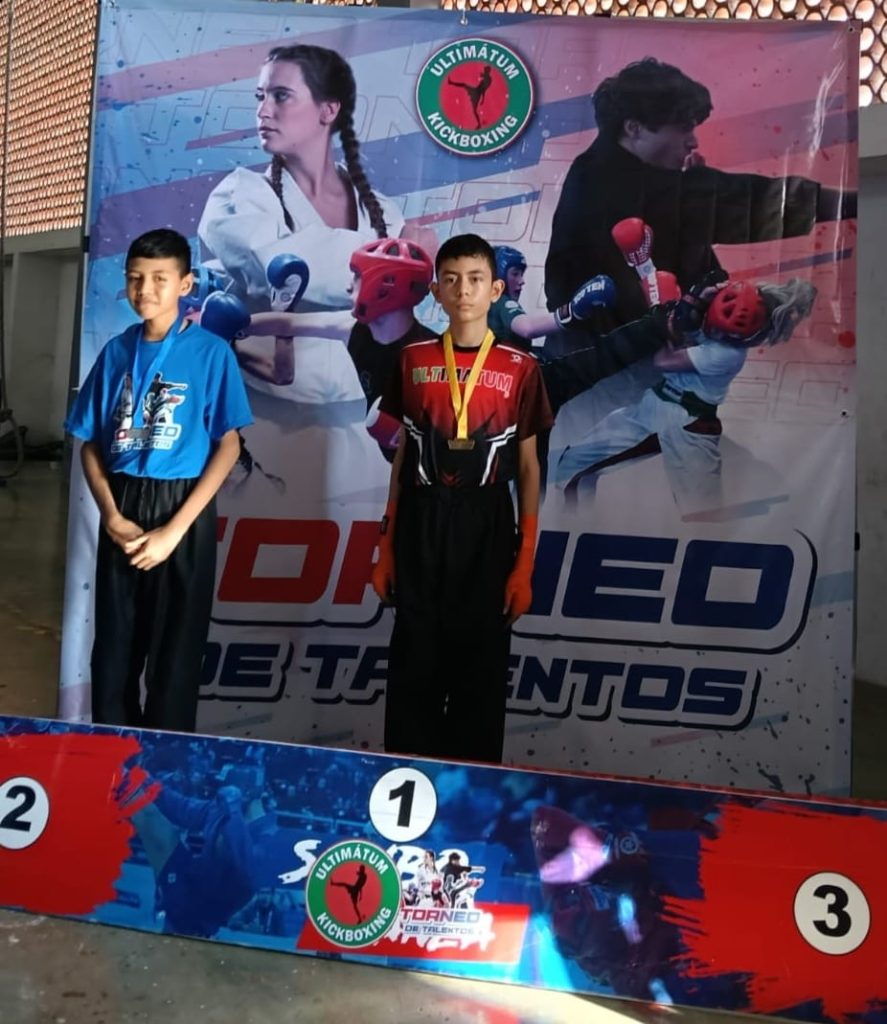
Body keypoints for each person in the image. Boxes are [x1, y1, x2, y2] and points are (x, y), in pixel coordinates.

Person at [372, 233, 553, 764]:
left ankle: (471, 798)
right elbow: (402, 457)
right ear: (435, 291)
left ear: (496, 289)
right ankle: (407, 784)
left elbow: (529, 468)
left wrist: (524, 563)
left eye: (475, 279)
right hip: (422, 521)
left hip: (487, 522)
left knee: (480, 682)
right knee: (414, 675)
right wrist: (386, 546)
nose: (463, 290)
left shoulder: (521, 368)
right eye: (450, 280)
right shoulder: (411, 360)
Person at [65, 228, 253, 731]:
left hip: (183, 508)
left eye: (159, 278)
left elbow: (229, 445)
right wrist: (111, 515)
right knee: (114, 657)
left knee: (175, 661)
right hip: (124, 506)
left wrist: (174, 532)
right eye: (134, 278)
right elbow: (89, 444)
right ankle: (112, 760)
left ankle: (164, 768)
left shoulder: (211, 353)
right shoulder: (115, 352)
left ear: (185, 284)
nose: (144, 289)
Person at [544, 58, 856, 332]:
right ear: (634, 128)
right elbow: (754, 203)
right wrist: (854, 202)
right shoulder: (643, 188)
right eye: (683, 128)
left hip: (603, 351)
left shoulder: (591, 171)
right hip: (622, 363)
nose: (693, 142)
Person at [198, 44, 434, 403]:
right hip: (263, 411)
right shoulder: (237, 196)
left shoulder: (381, 211)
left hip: (367, 409)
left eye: (281, 96)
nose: (263, 110)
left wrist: (402, 263)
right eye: (260, 96)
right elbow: (283, 266)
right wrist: (405, 260)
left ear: (328, 110)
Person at [555, 277, 817, 515]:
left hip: (688, 424)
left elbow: (662, 360)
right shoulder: (720, 299)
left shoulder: (729, 354)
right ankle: (574, 529)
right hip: (655, 404)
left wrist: (676, 318)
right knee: (572, 465)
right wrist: (694, 300)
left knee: (702, 513)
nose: (715, 332)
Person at [489, 245, 616, 350]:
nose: (522, 281)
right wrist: (571, 311)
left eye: (521, 274)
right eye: (515, 274)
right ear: (498, 275)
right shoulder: (501, 302)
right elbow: (528, 328)